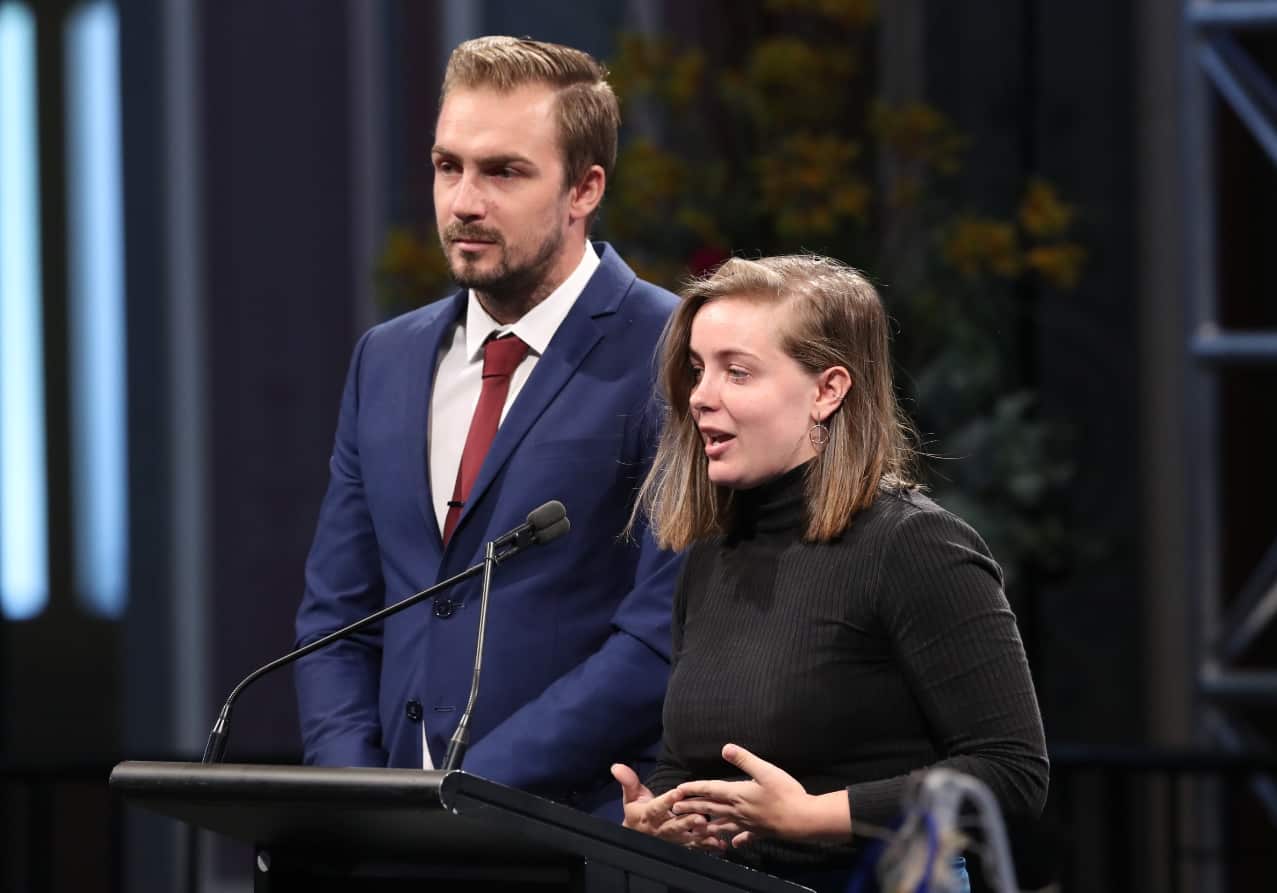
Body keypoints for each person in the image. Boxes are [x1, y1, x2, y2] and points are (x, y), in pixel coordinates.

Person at [294, 36, 682, 816]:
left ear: (584, 189)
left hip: (574, 830)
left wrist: (464, 790)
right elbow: (337, 617)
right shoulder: (386, 358)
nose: (464, 201)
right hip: (391, 841)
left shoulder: (671, 351)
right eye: (448, 166)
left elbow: (657, 638)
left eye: (503, 171)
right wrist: (360, 797)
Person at [610, 255, 1048, 888]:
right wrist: (669, 814)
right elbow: (690, 758)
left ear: (828, 390)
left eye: (737, 372)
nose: (700, 397)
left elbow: (1012, 774)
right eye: (699, 370)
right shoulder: (713, 552)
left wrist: (816, 816)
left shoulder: (915, 545)